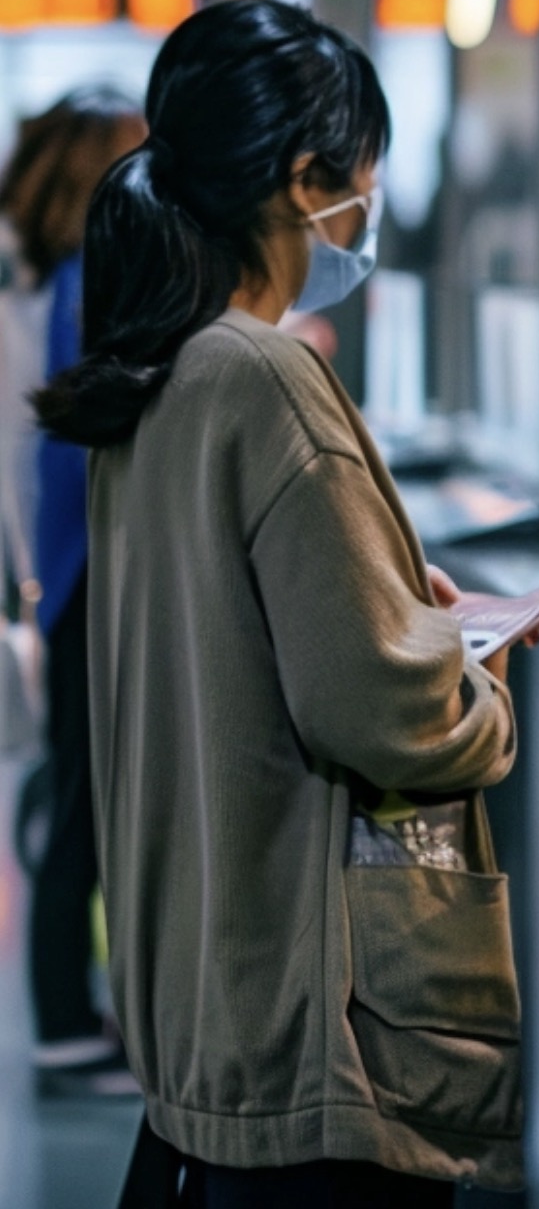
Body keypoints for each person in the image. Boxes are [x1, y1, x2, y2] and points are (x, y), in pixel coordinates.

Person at [38, 0, 539, 1205]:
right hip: (312, 1020)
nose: (369, 206)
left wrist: (388, 600)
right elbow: (387, 716)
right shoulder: (269, 375)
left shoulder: (165, 362)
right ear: (303, 180)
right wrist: (472, 669)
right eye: (364, 173)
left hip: (202, 991)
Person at [0, 90, 145, 1091]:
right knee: (88, 799)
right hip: (82, 570)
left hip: (54, 571)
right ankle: (62, 1016)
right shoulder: (77, 291)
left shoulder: (34, 280)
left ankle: (68, 1007)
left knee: (75, 790)